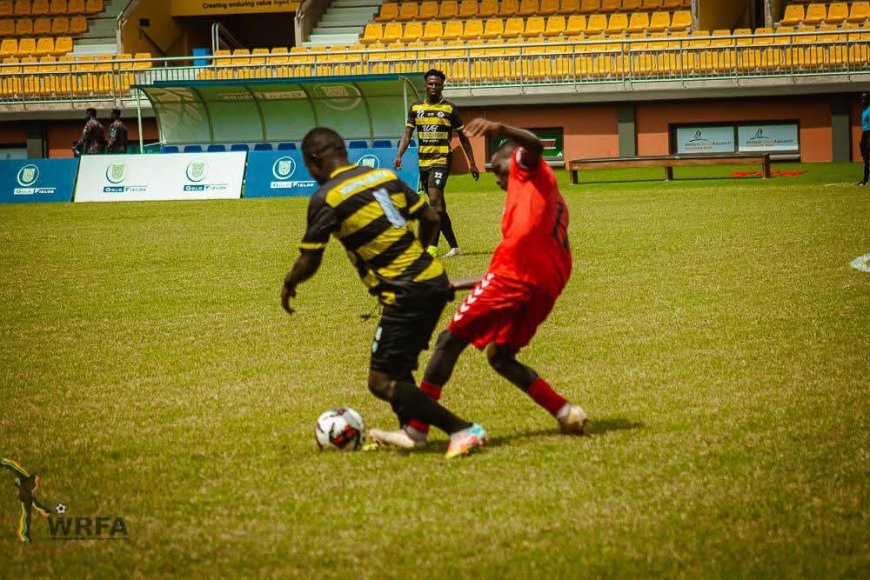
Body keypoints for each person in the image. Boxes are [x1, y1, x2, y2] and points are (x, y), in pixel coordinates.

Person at [371, 120, 587, 450]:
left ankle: (416, 430)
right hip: (544, 284)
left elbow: (534, 147)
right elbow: (528, 256)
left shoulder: (527, 169)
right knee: (500, 356)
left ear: (511, 159)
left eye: (497, 170)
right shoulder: (544, 196)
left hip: (515, 279)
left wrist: (499, 127)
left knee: (449, 340)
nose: (498, 179)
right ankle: (564, 411)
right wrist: (458, 283)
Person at [281, 127, 488, 459]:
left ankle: (462, 429)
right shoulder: (381, 176)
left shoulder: (328, 197)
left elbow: (310, 258)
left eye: (308, 166)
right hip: (432, 280)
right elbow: (431, 217)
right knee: (398, 368)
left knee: (380, 381)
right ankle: (411, 432)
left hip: (407, 293)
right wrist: (419, 256)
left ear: (315, 161)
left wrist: (290, 282)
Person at [394, 69, 479, 259]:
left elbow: (463, 137)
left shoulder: (449, 109)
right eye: (430, 84)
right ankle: (455, 247)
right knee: (438, 205)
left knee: (433, 200)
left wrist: (472, 163)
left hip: (442, 160)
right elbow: (407, 134)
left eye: (437, 84)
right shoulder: (416, 108)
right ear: (425, 86)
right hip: (423, 161)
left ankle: (432, 246)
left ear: (442, 86)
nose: (434, 87)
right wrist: (399, 154)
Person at [2, 458, 51, 543]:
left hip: (24, 495)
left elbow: (35, 502)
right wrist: (5, 463)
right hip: (24, 495)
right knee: (27, 514)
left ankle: (24, 533)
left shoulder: (26, 484)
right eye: (37, 481)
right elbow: (14, 469)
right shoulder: (25, 480)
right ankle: (24, 533)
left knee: (27, 514)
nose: (37, 485)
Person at [859, 92, 869, 186]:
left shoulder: (869, 109)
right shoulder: (864, 110)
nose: (863, 101)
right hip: (865, 133)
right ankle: (865, 180)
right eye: (862, 99)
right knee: (865, 157)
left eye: (865, 99)